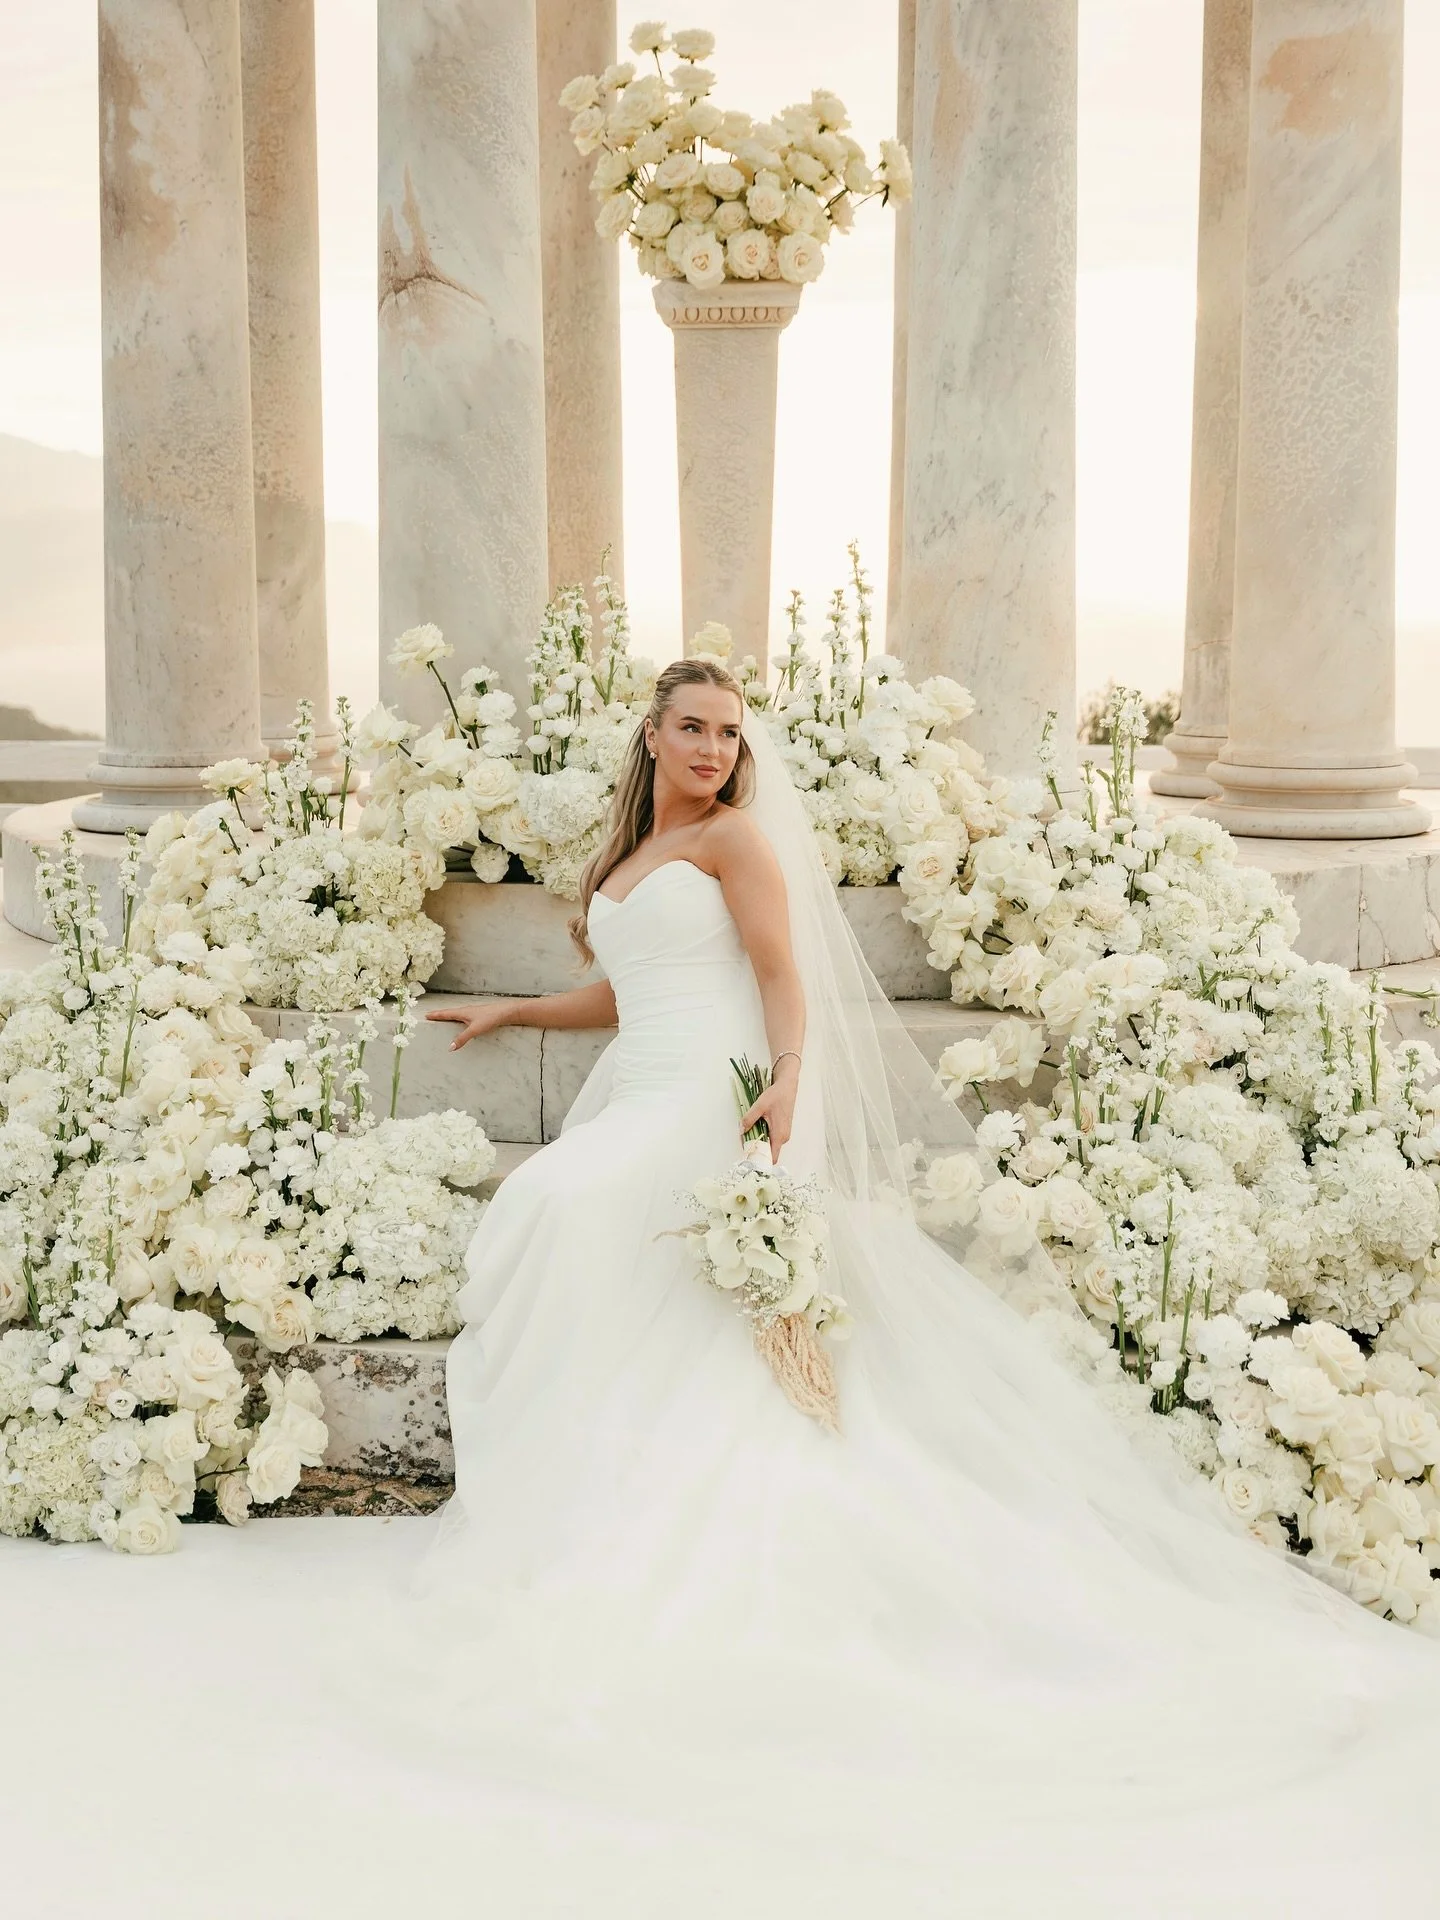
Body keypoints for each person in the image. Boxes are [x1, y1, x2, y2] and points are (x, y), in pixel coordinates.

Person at [392, 656, 1440, 1907]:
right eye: (692, 727)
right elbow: (634, 991)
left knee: (564, 1201)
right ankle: (602, 1470)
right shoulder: (624, 859)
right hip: (651, 1078)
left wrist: (783, 1083)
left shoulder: (735, 844)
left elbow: (782, 976)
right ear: (653, 735)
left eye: (728, 731)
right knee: (564, 1204)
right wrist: (517, 1019)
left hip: (717, 1087)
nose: (714, 747)